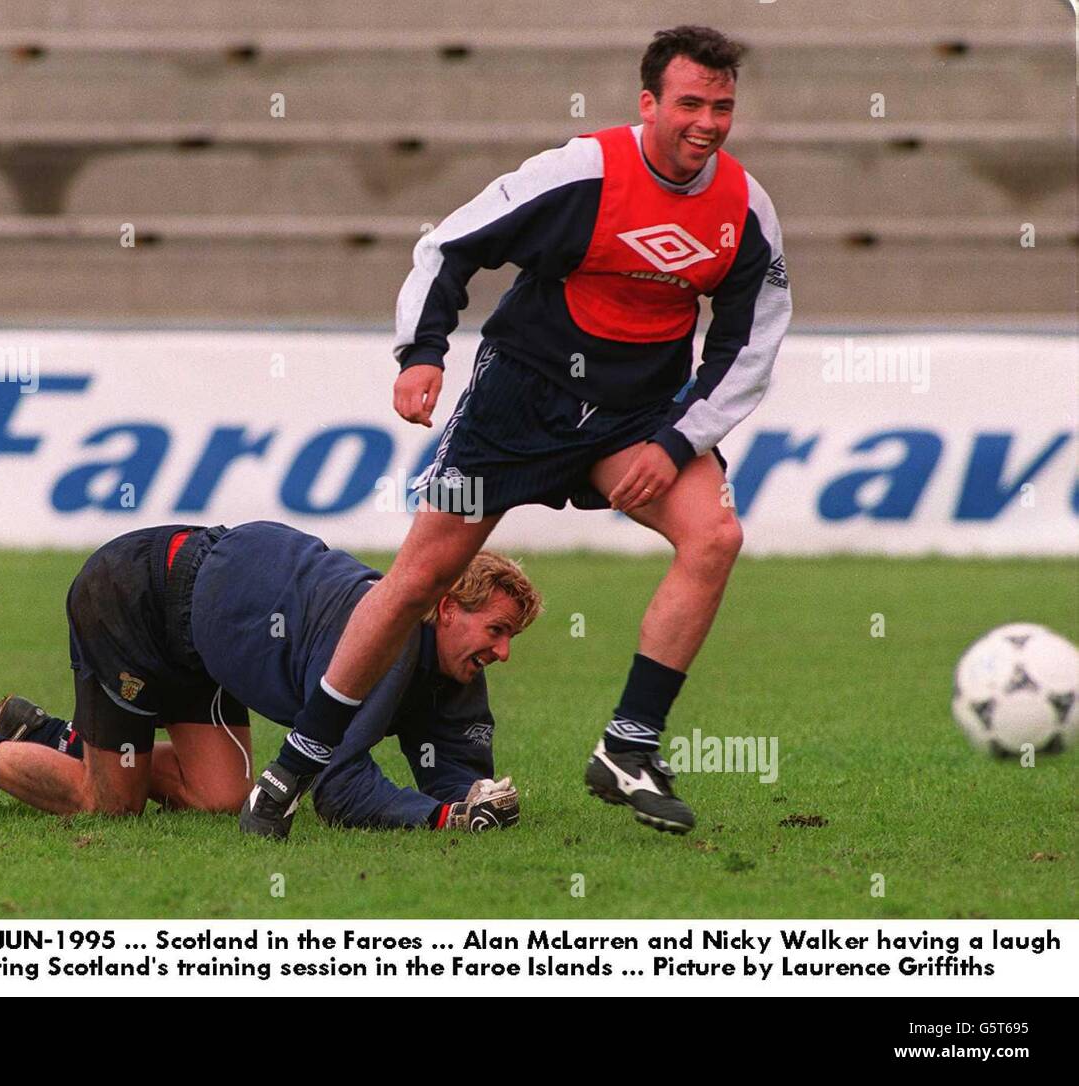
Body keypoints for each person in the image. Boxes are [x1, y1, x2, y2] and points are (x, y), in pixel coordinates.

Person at [243, 25, 791, 838]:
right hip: (516, 405)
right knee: (417, 582)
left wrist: (675, 443)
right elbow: (448, 246)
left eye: (723, 106)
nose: (708, 123)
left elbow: (753, 340)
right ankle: (293, 770)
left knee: (714, 535)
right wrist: (422, 355)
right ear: (648, 104)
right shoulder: (581, 172)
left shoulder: (743, 207)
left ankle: (627, 748)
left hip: (635, 417)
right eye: (690, 104)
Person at [0, 521, 540, 835]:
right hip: (134, 598)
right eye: (497, 632)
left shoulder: (447, 658)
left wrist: (473, 796)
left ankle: (48, 734)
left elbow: (453, 764)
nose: (504, 653)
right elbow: (335, 783)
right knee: (108, 804)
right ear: (446, 607)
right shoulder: (384, 642)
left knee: (218, 797)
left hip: (207, 635)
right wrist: (442, 819)